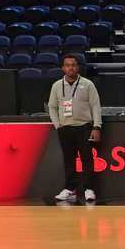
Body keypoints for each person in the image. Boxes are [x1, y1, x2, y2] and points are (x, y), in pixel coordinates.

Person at [47, 54, 102, 204]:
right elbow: (52, 106)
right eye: (68, 65)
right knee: (68, 160)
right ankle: (70, 189)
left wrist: (97, 126)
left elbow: (95, 106)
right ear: (63, 68)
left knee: (87, 159)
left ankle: (88, 189)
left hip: (84, 126)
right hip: (65, 128)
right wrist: (57, 124)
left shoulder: (88, 84)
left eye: (74, 65)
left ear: (78, 67)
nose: (71, 67)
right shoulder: (57, 86)